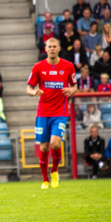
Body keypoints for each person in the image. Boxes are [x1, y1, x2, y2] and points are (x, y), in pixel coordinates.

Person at [27, 37, 77, 189]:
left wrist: (71, 91)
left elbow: (75, 86)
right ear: (46, 48)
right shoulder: (38, 67)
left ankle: (54, 171)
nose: (52, 49)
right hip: (43, 112)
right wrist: (34, 92)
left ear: (59, 48)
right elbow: (28, 88)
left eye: (55, 46)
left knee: (55, 143)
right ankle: (45, 179)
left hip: (60, 112)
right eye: (50, 47)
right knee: (43, 147)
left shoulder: (68, 66)